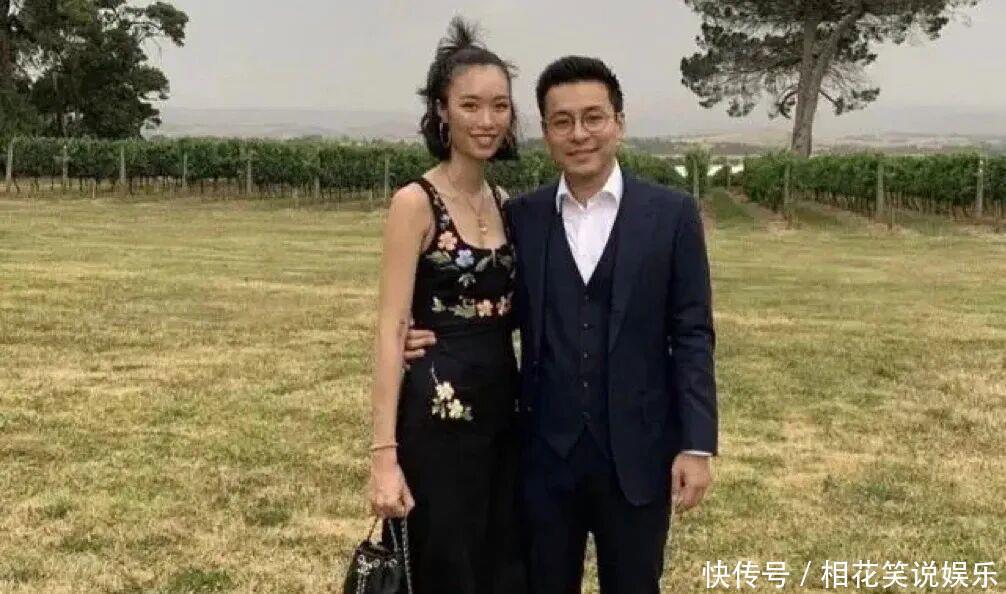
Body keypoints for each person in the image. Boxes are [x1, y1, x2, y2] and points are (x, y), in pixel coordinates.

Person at [404, 56, 718, 594]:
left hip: (638, 457)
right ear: (546, 132)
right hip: (543, 459)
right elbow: (484, 296)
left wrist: (697, 444)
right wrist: (429, 332)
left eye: (593, 117)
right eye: (562, 121)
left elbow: (692, 334)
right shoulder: (521, 217)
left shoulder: (671, 216)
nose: (579, 134)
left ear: (619, 122)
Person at [366, 17, 526, 594]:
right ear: (441, 111)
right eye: (470, 105)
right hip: (437, 421)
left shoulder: (504, 202)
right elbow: (391, 329)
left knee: (500, 566)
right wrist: (383, 457)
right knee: (443, 567)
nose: (487, 121)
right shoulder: (416, 202)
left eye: (499, 106)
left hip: (503, 416)